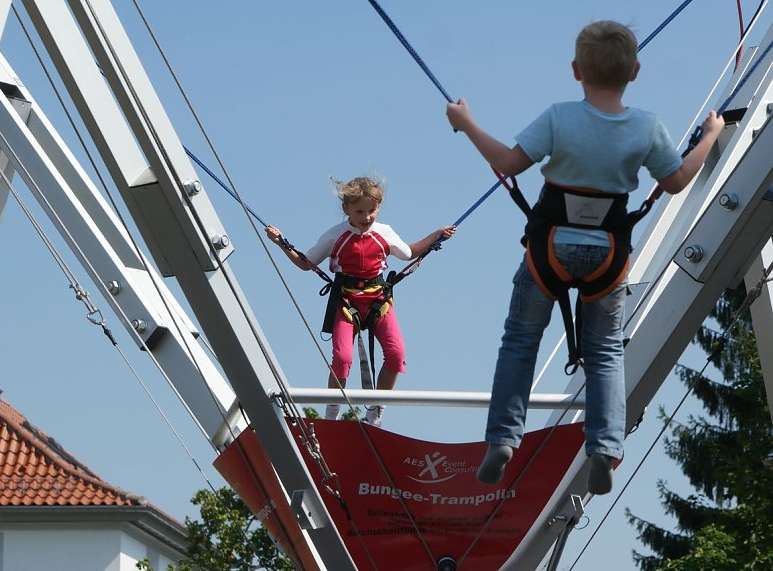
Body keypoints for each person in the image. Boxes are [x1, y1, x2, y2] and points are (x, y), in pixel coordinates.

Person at [446, 20, 724, 494]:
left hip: (548, 247)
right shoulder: (645, 126)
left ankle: (501, 440)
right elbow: (676, 181)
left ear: (576, 70)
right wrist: (710, 136)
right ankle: (604, 447)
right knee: (605, 352)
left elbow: (510, 164)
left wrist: (467, 123)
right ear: (636, 71)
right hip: (608, 255)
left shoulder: (559, 118)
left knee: (520, 341)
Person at [266, 175, 455, 427]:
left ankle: (377, 408)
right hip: (347, 302)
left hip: (378, 300)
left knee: (397, 355)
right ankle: (331, 413)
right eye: (359, 212)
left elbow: (409, 253)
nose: (366, 217)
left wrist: (436, 236)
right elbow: (305, 262)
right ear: (346, 209)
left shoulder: (383, 233)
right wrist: (281, 243)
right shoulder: (336, 235)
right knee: (343, 358)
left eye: (372, 211)